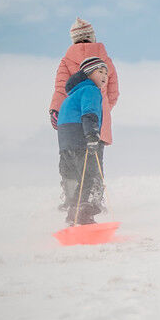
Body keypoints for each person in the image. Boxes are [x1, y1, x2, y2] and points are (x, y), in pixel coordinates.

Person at [56, 56, 110, 224]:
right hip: (81, 139)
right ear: (88, 74)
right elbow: (89, 112)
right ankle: (84, 216)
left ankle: (72, 215)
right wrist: (92, 135)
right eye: (100, 71)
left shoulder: (70, 96)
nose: (104, 76)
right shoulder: (91, 90)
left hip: (66, 144)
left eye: (106, 73)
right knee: (90, 176)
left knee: (79, 178)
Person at [49, 17, 119, 145]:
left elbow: (61, 89)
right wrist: (100, 108)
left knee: (74, 161)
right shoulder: (105, 61)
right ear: (92, 37)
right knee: (95, 162)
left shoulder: (66, 61)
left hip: (72, 123)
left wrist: (55, 110)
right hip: (99, 123)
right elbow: (113, 94)